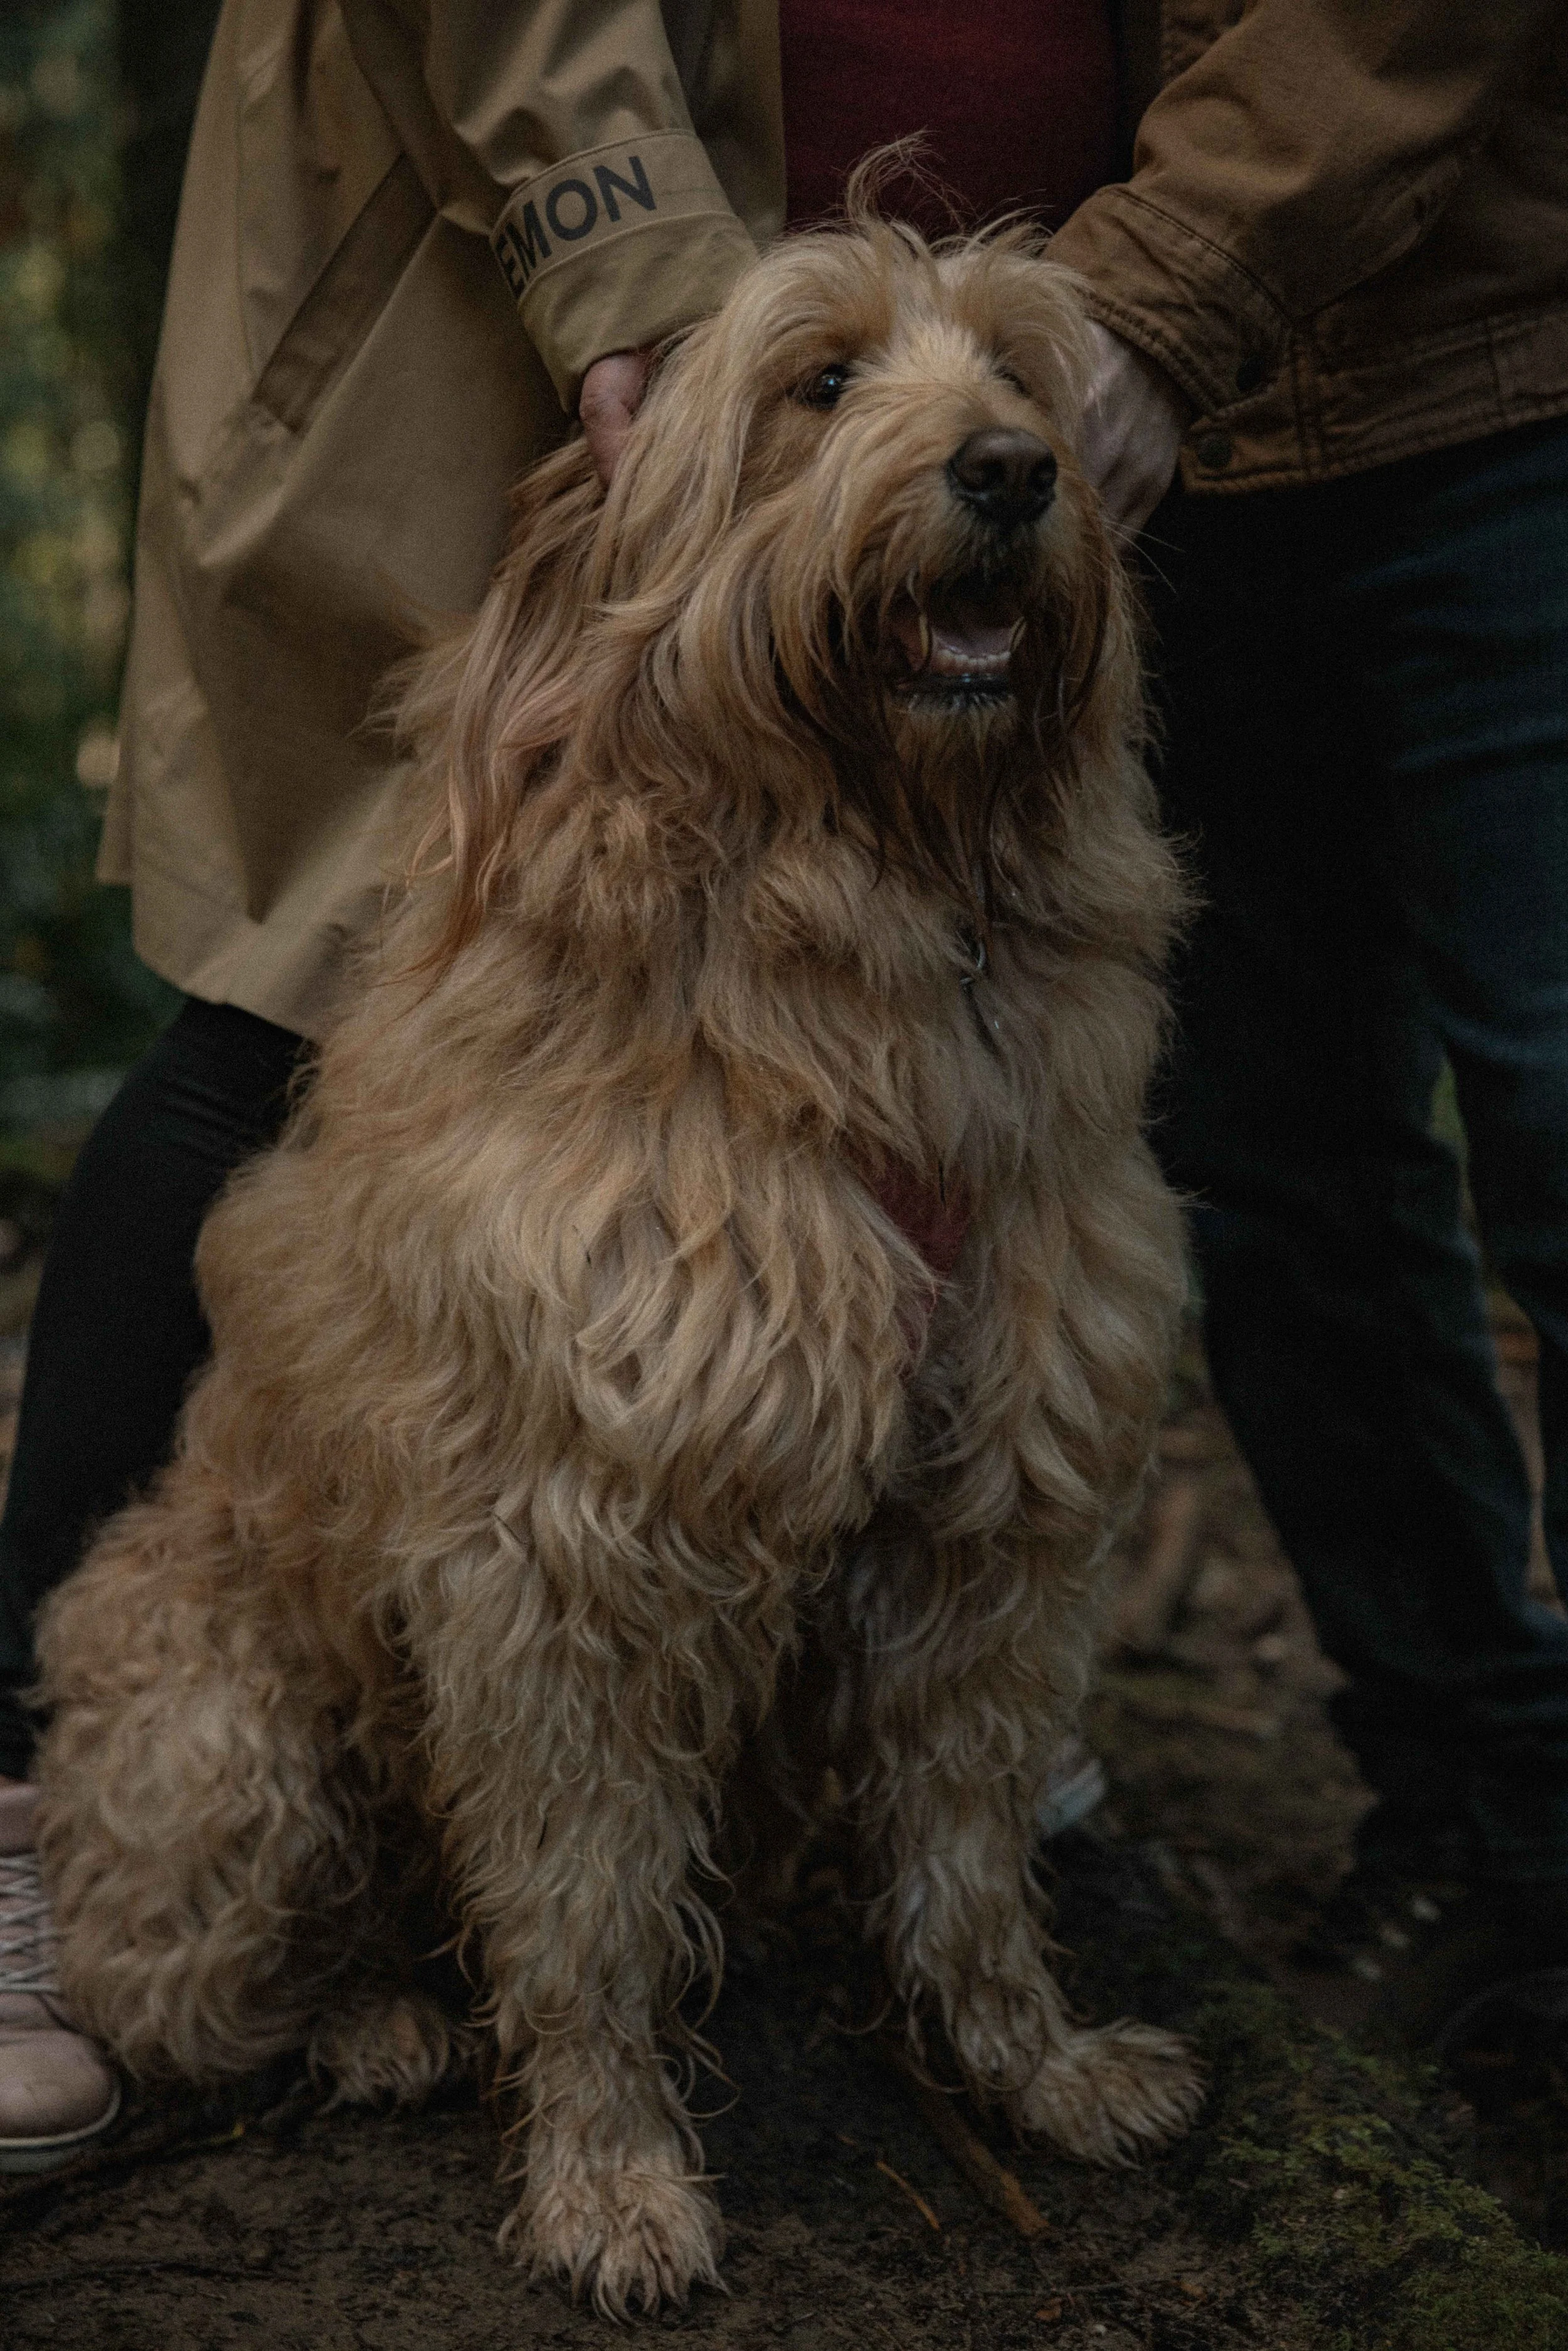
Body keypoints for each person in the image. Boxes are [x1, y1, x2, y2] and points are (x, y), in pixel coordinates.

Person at [3, 0, 1567, 2170]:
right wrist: (660, 289)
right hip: (602, 271)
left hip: (1234, 293)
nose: (969, 433)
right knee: (287, 1021)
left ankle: (982, 1899)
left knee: (1075, 1365)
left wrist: (1153, 294)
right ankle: (72, 1839)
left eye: (981, 398)